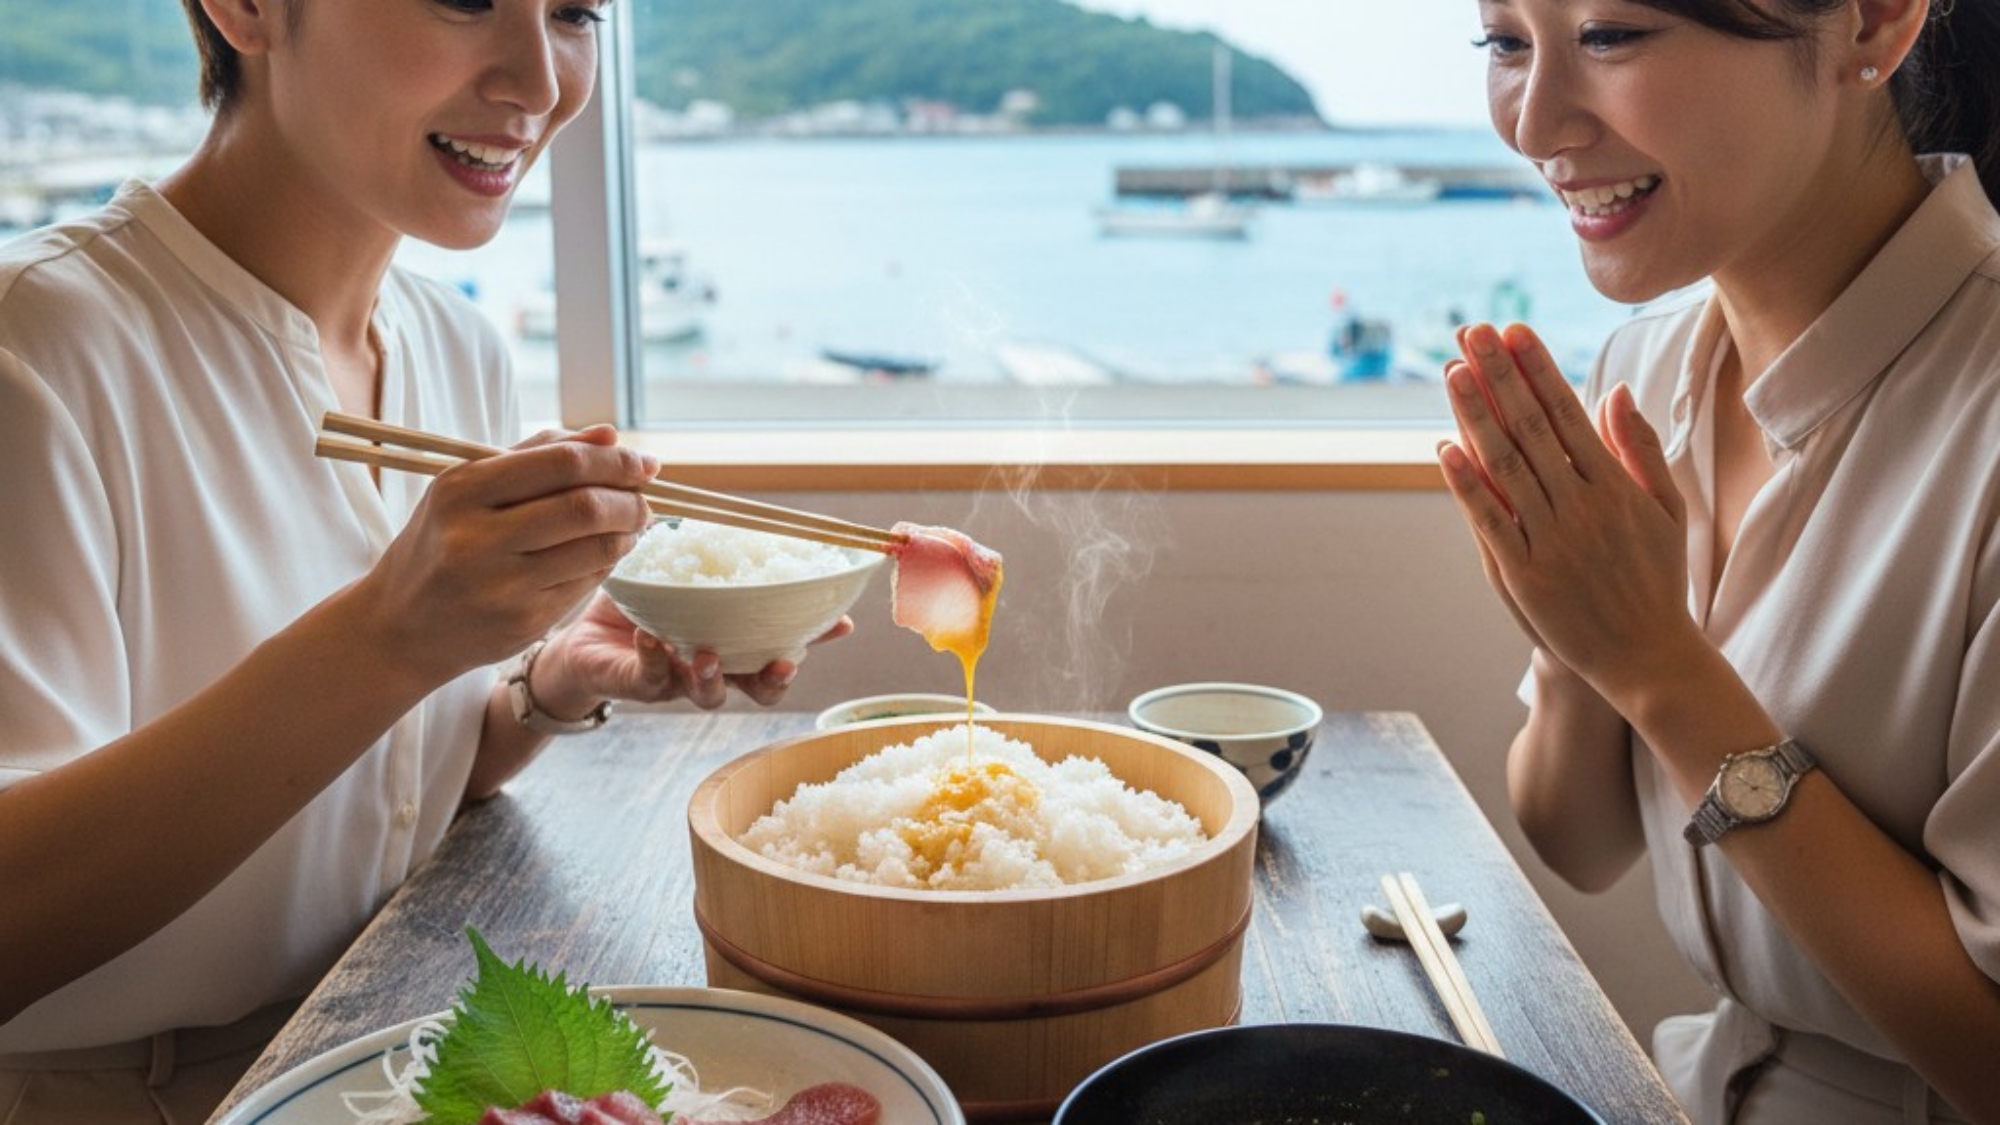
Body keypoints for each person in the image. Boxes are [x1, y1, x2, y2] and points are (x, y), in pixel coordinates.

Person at [0, 2, 847, 1121]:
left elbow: (387, 795)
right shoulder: (41, 349)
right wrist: (391, 634)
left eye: (575, 14)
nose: (542, 83)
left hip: (382, 1041)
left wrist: (542, 691)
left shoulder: (455, 344)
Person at [1436, 0, 2000, 1120]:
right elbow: (1575, 837)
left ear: (1871, 26)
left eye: (1608, 36)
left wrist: (1658, 667)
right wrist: (1571, 639)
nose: (1533, 119)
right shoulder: (1640, 367)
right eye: (1503, 43)